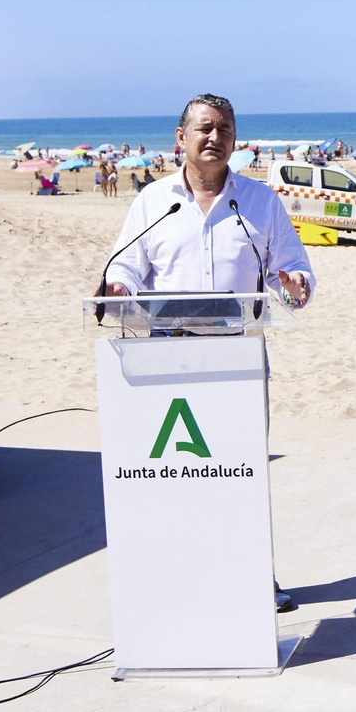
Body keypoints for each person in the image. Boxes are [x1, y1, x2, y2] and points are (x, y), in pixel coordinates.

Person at [102, 94, 316, 614]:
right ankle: (180, 577)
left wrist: (294, 285)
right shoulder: (153, 201)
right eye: (204, 128)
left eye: (224, 129)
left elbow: (293, 271)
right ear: (181, 138)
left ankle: (254, 579)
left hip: (238, 360)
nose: (214, 137)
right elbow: (126, 267)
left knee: (241, 471)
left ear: (235, 140)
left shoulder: (260, 202)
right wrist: (118, 286)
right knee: (176, 474)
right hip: (166, 361)